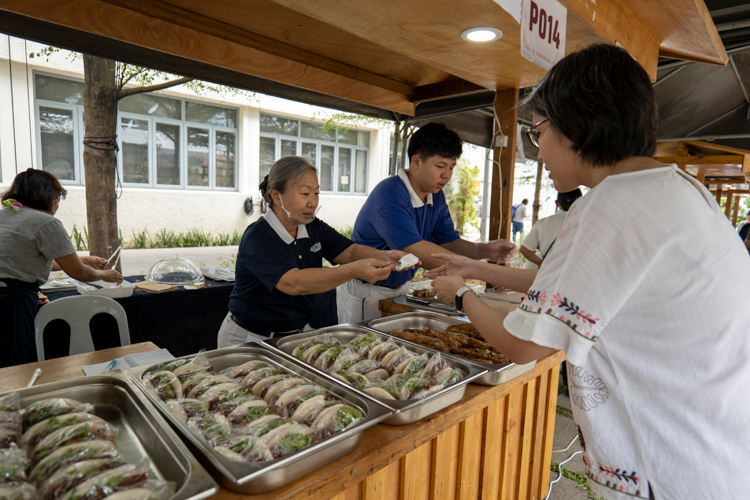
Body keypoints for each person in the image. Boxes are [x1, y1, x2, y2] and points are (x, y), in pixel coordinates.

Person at [428, 44, 750, 500]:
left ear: (577, 126)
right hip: (719, 455)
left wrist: (462, 293)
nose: (539, 152)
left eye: (539, 131)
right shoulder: (676, 188)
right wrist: (473, 266)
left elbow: (522, 346)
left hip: (670, 468)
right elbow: (574, 289)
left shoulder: (608, 205)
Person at [217, 157, 416, 348]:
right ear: (277, 196)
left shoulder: (312, 227)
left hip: (292, 335)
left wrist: (386, 255)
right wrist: (354, 271)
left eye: (316, 193)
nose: (312, 202)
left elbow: (351, 251)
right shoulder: (258, 237)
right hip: (248, 337)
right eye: (305, 194)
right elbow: (295, 283)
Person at [336, 122, 515, 324]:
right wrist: (483, 271)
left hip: (401, 287)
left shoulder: (435, 195)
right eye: (440, 166)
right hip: (367, 290)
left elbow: (447, 241)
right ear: (416, 161)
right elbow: (417, 251)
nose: (446, 175)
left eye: (451, 167)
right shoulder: (390, 194)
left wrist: (485, 251)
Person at [0, 168, 123, 367]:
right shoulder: (45, 222)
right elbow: (79, 274)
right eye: (57, 198)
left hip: (8, 293)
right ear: (48, 197)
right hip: (9, 301)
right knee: (11, 365)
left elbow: (24, 261)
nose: (57, 204)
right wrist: (105, 274)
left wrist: (81, 259)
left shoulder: (7, 215)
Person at [519, 189, 582, 270]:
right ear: (580, 202)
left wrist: (540, 263)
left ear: (557, 203)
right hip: (573, 272)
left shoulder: (542, 223)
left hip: (548, 273)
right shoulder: (585, 223)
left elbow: (524, 249)